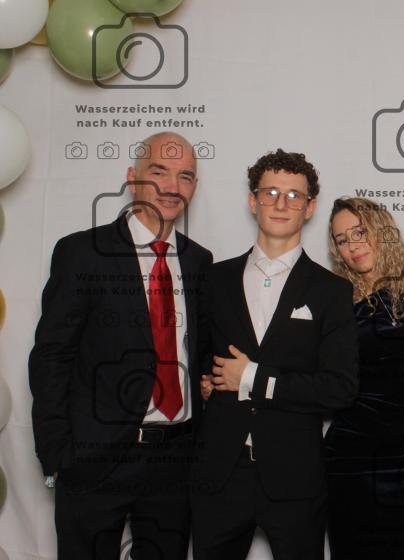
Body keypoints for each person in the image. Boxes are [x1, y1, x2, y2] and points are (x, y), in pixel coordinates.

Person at [29, 132, 212, 559]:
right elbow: (52, 356)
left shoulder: (199, 261)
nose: (172, 186)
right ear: (133, 178)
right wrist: (58, 454)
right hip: (95, 458)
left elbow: (198, 350)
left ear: (194, 187)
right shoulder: (83, 253)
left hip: (175, 460)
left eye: (185, 176)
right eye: (159, 171)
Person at [191, 149, 359, 560]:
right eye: (270, 193)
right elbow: (193, 357)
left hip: (295, 479)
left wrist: (251, 377)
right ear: (253, 201)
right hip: (219, 475)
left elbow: (339, 389)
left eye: (294, 196)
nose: (281, 204)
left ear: (310, 207)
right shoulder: (214, 279)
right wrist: (204, 383)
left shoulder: (331, 291)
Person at [323, 197, 404, 559]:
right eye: (342, 239)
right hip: (351, 459)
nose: (352, 246)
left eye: (360, 232)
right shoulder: (334, 301)